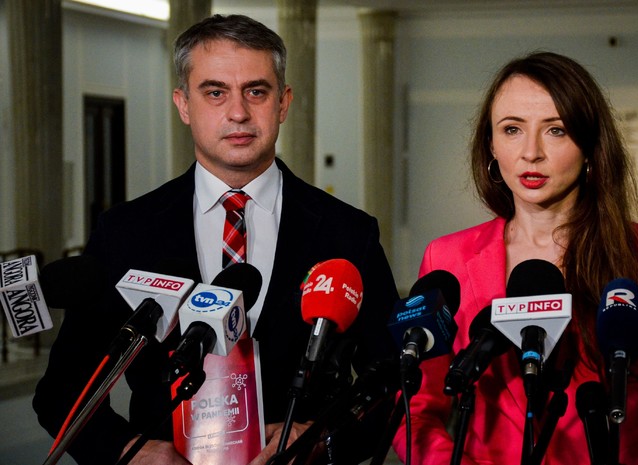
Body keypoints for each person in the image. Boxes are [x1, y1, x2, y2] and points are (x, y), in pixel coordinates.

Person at [34, 14, 398, 465]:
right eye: (215, 92)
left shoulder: (348, 232)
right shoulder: (126, 232)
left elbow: (393, 381)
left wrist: (321, 439)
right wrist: (129, 451)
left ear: (283, 103)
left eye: (256, 91)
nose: (238, 112)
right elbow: (62, 390)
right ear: (183, 104)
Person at [391, 52, 638, 465]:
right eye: (512, 129)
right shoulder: (447, 257)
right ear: (491, 145)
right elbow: (414, 412)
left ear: (589, 146)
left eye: (556, 130)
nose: (531, 152)